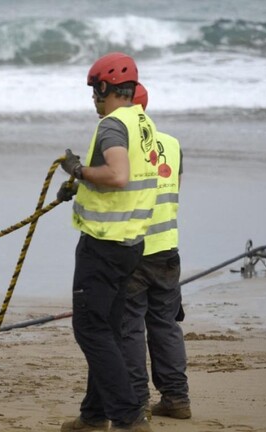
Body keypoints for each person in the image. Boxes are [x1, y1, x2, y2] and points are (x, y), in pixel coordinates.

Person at [57, 52, 159, 432]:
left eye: (94, 90)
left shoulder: (113, 126)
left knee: (90, 329)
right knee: (108, 328)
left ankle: (128, 417)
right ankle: (93, 415)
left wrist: (79, 169)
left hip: (104, 244)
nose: (93, 99)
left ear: (104, 87)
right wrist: (81, 182)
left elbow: (117, 175)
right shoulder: (142, 122)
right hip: (131, 243)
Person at [121, 84, 191, 419]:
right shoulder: (174, 145)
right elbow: (175, 186)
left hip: (133, 250)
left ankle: (136, 403)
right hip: (167, 249)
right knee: (165, 325)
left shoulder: (120, 147)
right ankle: (176, 399)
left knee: (130, 327)